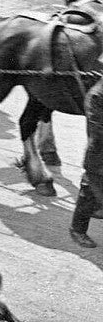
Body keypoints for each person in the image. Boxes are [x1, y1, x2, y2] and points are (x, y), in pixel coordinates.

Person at [70, 76, 103, 248]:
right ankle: (77, 229)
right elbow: (98, 134)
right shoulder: (97, 97)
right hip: (99, 152)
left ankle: (97, 207)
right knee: (91, 186)